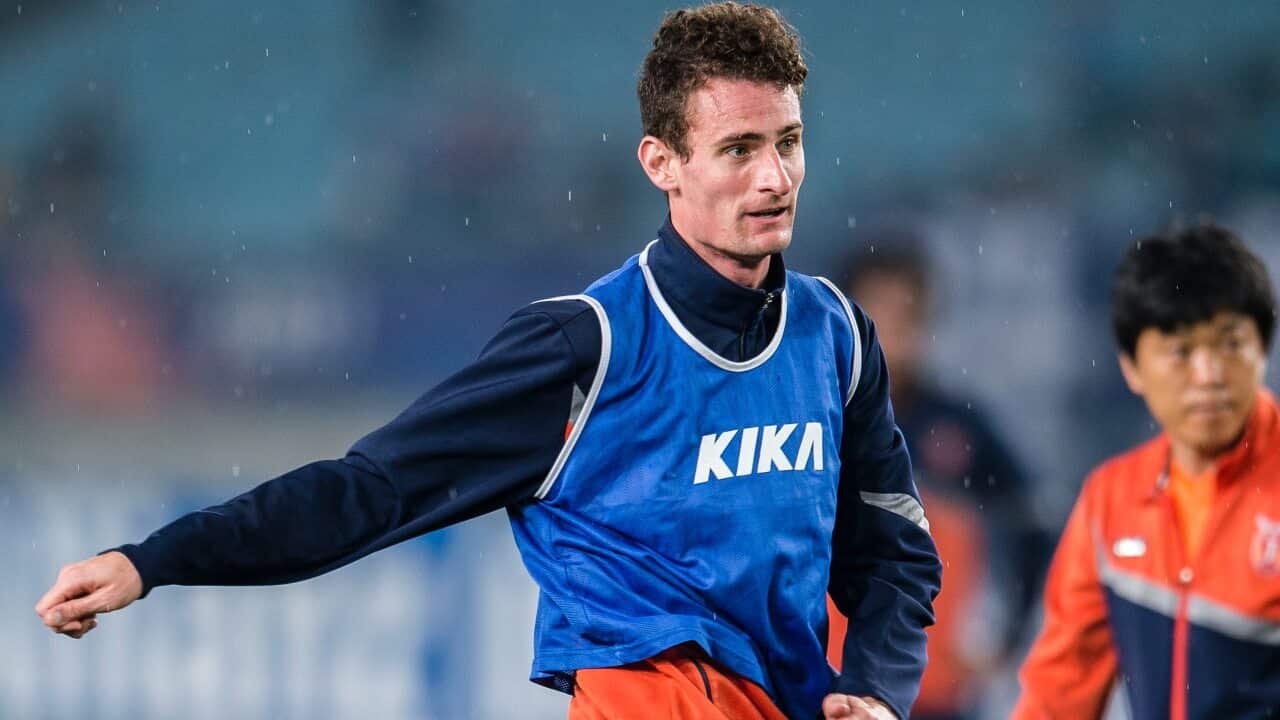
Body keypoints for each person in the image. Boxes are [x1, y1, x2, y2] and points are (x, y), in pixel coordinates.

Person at [35, 4, 940, 719]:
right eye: (739, 150)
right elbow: (370, 492)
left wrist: (876, 693)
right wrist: (156, 559)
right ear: (660, 162)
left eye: (787, 142)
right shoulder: (586, 348)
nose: (774, 178)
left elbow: (895, 558)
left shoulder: (837, 338)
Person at [1013, 223, 1280, 719]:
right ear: (1132, 368)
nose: (1208, 375)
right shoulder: (1111, 500)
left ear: (1262, 351)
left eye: (1230, 344)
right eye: (1180, 351)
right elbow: (1059, 691)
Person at [826, 236, 1051, 720]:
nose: (893, 331)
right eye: (877, 314)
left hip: (936, 691)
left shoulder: (958, 425)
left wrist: (1004, 638)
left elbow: (1034, 519)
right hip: (832, 687)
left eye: (906, 314)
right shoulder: (816, 423)